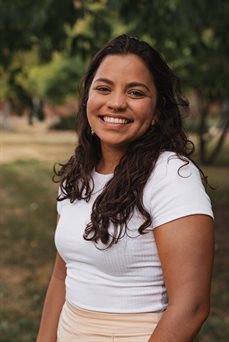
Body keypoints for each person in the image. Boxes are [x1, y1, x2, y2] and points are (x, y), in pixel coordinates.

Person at [37, 34, 214, 342]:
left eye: (135, 92)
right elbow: (61, 276)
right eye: (103, 88)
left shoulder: (171, 175)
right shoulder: (76, 176)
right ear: (87, 99)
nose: (116, 103)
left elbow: (191, 307)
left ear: (157, 110)